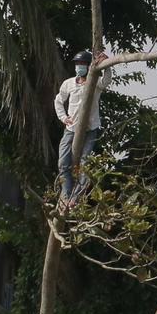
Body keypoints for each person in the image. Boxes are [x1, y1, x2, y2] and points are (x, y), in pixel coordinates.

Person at [54, 48, 100, 200]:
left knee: (84, 164)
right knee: (63, 164)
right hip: (71, 128)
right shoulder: (69, 83)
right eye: (77, 64)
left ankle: (76, 198)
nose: (79, 67)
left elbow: (107, 81)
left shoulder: (95, 83)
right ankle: (67, 196)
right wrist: (63, 117)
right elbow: (59, 100)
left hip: (90, 128)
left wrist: (106, 65)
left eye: (82, 64)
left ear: (88, 66)